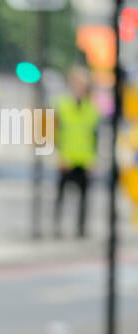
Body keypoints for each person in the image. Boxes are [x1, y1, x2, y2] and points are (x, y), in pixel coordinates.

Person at [54, 66, 100, 238]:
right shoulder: (62, 104)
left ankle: (81, 229)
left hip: (84, 158)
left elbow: (95, 135)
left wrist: (93, 159)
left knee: (84, 198)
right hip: (66, 157)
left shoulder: (92, 107)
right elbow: (55, 132)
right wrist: (58, 155)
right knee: (61, 195)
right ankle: (57, 227)